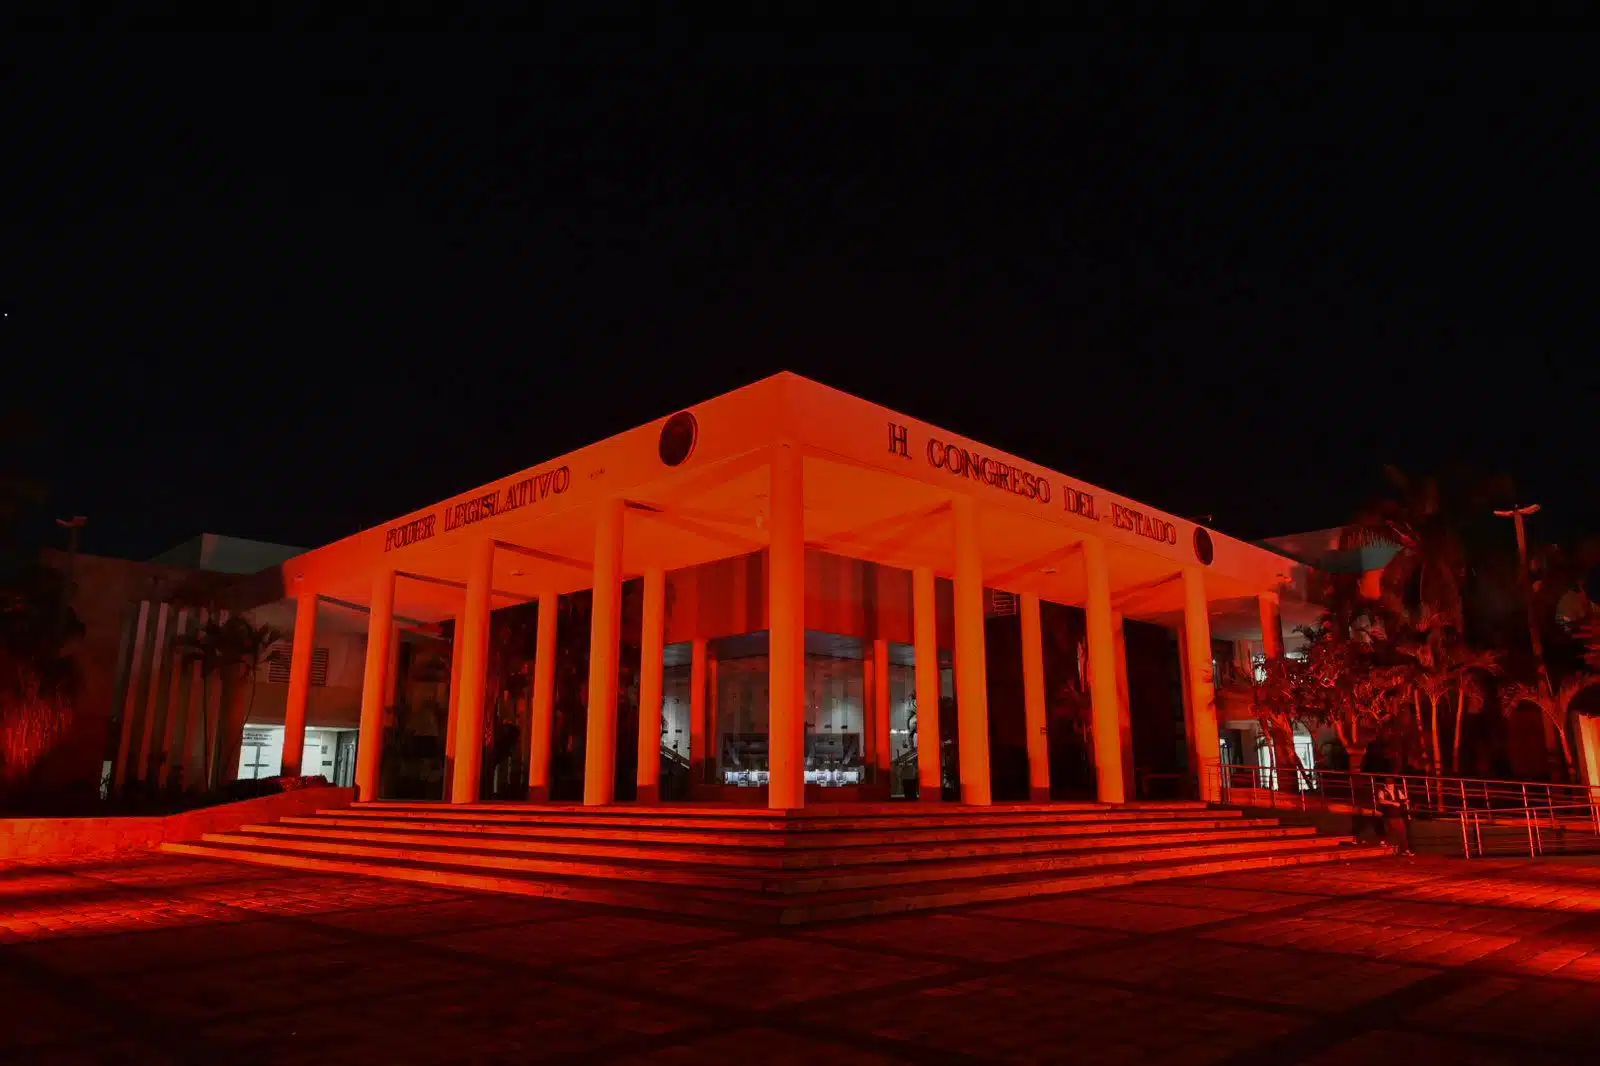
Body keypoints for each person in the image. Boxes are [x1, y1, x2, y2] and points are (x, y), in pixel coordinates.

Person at [1376, 777, 1415, 856]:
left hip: (1397, 814)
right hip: (1388, 814)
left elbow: (1403, 798)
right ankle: (1385, 841)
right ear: (1385, 785)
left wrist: (1406, 801)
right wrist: (1392, 803)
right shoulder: (1382, 791)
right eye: (1389, 785)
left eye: (1392, 784)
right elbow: (1381, 800)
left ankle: (1405, 850)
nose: (1391, 786)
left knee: (1402, 832)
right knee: (1391, 830)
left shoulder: (1397, 791)